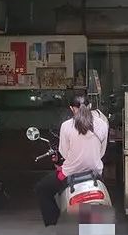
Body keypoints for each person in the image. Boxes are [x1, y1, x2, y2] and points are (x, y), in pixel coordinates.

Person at [35, 94, 109, 227]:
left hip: (69, 173)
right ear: (90, 106)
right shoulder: (103, 125)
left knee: (42, 188)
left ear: (71, 108)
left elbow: (63, 151)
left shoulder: (66, 126)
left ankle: (55, 221)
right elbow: (102, 152)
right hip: (95, 173)